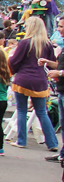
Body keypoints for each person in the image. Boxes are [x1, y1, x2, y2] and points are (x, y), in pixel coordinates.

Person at [7, 16, 58, 151]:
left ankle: (21, 140)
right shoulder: (47, 44)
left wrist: (14, 70)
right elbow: (52, 63)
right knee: (42, 112)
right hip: (40, 80)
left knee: (22, 110)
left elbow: (14, 61)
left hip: (23, 79)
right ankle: (52, 143)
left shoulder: (25, 43)